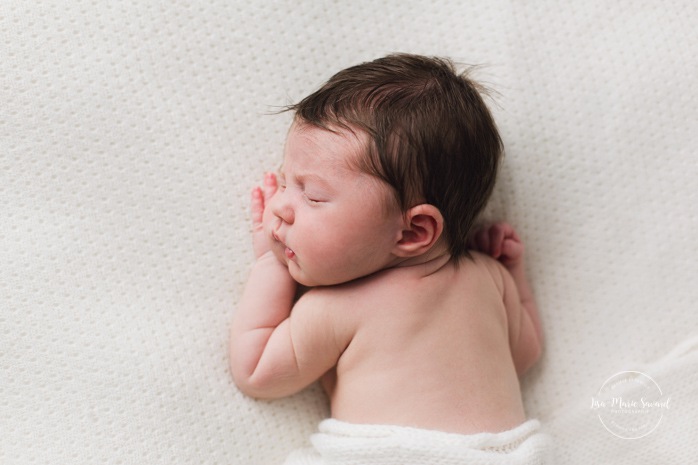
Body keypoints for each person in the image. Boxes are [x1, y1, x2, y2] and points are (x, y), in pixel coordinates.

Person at [230, 53, 549, 464]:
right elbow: (525, 354)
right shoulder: (488, 277)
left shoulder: (339, 306)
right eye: (285, 181)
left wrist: (271, 266)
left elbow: (257, 371)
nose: (280, 207)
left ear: (414, 231)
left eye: (312, 196)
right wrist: (513, 272)